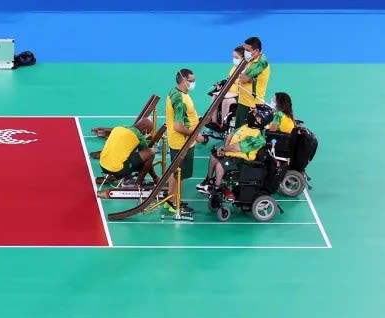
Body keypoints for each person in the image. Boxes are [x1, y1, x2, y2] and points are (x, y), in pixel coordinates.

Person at [197, 104, 271, 194]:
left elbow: (239, 147)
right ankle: (208, 181)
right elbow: (231, 134)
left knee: (220, 164)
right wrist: (224, 149)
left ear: (260, 120)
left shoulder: (258, 137)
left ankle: (216, 188)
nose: (251, 113)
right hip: (231, 153)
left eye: (255, 112)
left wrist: (225, 149)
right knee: (214, 157)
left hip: (242, 160)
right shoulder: (247, 126)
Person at [164, 68, 206, 218]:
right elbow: (178, 126)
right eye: (191, 80)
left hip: (182, 141)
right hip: (182, 142)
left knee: (176, 172)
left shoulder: (177, 92)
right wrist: (197, 136)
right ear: (183, 80)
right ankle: (173, 204)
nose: (194, 83)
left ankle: (171, 199)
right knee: (179, 174)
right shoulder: (180, 100)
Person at [97, 117, 158, 188]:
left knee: (129, 152)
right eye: (148, 132)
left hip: (103, 165)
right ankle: (138, 184)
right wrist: (155, 177)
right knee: (151, 153)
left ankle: (127, 178)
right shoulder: (139, 137)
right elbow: (147, 157)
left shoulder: (119, 128)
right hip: (117, 170)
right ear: (145, 130)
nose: (147, 134)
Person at [233, 37, 271, 127]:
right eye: (244, 49)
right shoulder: (252, 59)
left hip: (251, 104)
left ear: (257, 50)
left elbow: (243, 79)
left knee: (246, 135)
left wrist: (245, 78)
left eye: (247, 50)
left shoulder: (261, 63)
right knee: (238, 131)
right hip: (243, 100)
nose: (245, 52)